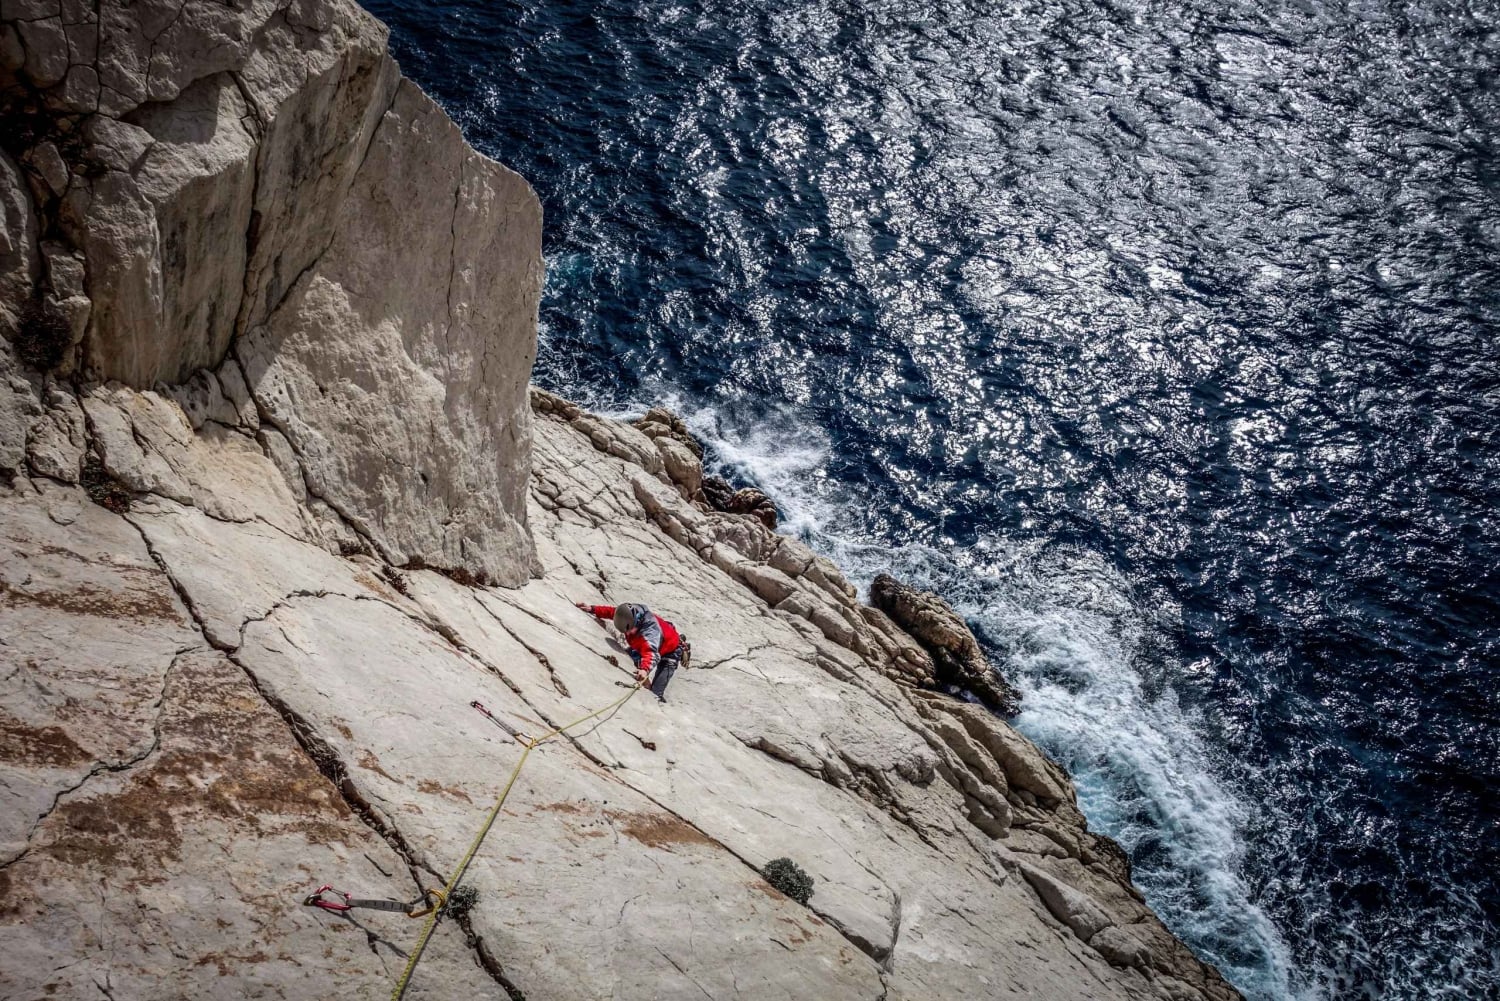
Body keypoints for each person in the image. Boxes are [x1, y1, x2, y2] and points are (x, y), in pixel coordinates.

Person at [574, 601, 688, 702]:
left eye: (630, 631)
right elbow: (613, 612)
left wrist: (644, 669)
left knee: (655, 695)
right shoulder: (629, 616)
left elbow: (651, 653)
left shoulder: (650, 633)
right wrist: (593, 609)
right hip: (653, 641)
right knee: (635, 656)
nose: (627, 634)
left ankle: (680, 643)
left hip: (670, 652)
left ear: (638, 621)